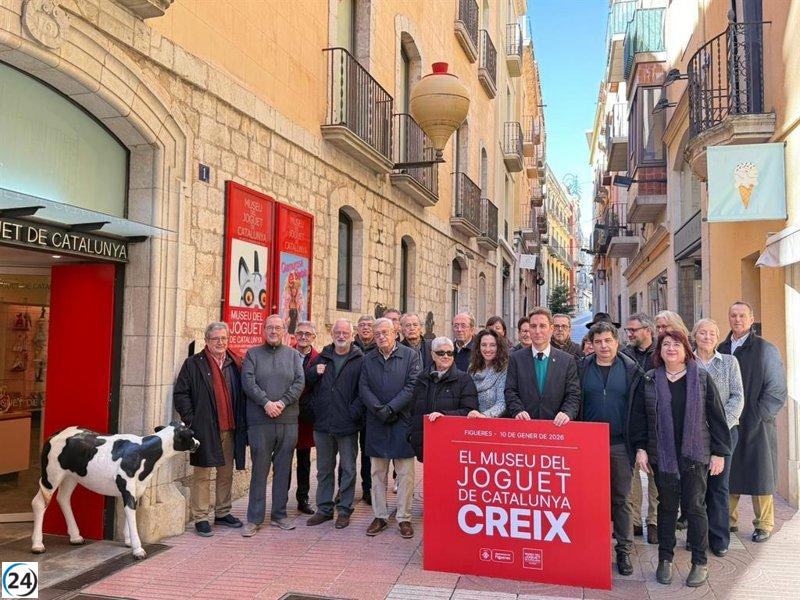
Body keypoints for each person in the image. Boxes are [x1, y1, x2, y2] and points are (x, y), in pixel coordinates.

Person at [631, 329, 731, 588]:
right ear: (659, 351)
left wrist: (719, 452)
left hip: (695, 456)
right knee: (666, 508)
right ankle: (665, 559)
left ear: (686, 348)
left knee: (696, 508)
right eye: (666, 345)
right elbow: (639, 418)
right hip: (661, 455)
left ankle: (700, 562)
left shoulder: (701, 377)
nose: (671, 349)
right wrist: (640, 448)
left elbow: (717, 417)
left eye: (676, 344)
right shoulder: (651, 379)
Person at [718, 301, 787, 543]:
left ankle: (764, 524)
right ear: (729, 318)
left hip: (757, 423)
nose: (737, 320)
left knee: (761, 474)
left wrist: (759, 414)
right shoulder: (722, 348)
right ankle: (728, 520)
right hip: (729, 422)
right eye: (733, 315)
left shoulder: (765, 349)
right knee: (729, 472)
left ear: (751, 318)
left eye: (742, 315)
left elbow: (777, 389)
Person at [578, 321, 644, 576]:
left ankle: (624, 551)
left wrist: (639, 446)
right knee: (591, 499)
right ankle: (592, 549)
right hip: (589, 444)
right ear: (591, 345)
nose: (603, 346)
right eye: (598, 342)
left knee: (622, 499)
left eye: (608, 341)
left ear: (617, 342)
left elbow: (639, 412)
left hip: (619, 444)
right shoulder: (582, 367)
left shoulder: (631, 370)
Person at [173, 322, 246, 536]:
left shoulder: (234, 363)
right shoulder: (194, 364)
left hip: (229, 428)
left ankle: (222, 512)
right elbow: (181, 394)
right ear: (206, 341)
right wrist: (192, 420)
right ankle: (201, 517)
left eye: (224, 338)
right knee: (202, 473)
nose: (220, 343)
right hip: (204, 428)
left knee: (225, 473)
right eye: (216, 339)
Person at [241, 315, 305, 535]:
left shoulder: (294, 355)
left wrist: (282, 402)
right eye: (270, 327)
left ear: (284, 330)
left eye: (278, 327)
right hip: (260, 422)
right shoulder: (252, 355)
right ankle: (254, 518)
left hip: (288, 421)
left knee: (283, 469)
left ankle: (279, 515)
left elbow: (299, 383)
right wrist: (266, 403)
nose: (274, 331)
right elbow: (248, 383)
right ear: (263, 330)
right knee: (259, 469)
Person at [359, 318, 422, 538]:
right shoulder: (368, 359)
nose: (381, 337)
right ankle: (380, 516)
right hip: (377, 422)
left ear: (395, 333)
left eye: (385, 332)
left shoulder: (410, 356)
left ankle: (404, 518)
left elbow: (413, 385)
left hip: (401, 421)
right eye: (377, 334)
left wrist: (392, 408)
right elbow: (363, 387)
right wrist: (378, 409)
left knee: (405, 474)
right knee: (377, 473)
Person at [305, 319, 364, 530]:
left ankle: (345, 509)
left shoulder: (359, 359)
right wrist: (314, 373)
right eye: (337, 332)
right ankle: (324, 509)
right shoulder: (323, 357)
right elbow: (307, 383)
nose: (341, 336)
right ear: (332, 334)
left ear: (351, 334)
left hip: (347, 425)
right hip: (323, 424)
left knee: (348, 469)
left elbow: (363, 391)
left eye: (345, 332)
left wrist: (353, 412)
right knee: (324, 469)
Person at [693, 318, 744, 556]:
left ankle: (719, 538)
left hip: (724, 433)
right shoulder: (687, 363)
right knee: (695, 488)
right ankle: (697, 537)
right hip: (693, 434)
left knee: (719, 487)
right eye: (702, 333)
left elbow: (737, 396)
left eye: (712, 333)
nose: (707, 337)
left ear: (717, 337)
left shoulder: (729, 362)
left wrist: (722, 423)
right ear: (694, 336)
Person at [505, 307, 581, 425]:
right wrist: (518, 411)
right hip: (524, 427)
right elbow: (510, 390)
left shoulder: (567, 361)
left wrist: (567, 413)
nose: (537, 331)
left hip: (557, 428)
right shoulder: (516, 359)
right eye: (533, 326)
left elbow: (573, 394)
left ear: (551, 329)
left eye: (542, 326)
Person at [409, 337, 478, 461]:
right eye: (441, 353)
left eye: (450, 353)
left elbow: (470, 411)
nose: (446, 356)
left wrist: (443, 415)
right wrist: (411, 436)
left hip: (454, 444)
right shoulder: (422, 379)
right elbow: (413, 411)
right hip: (426, 443)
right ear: (433, 355)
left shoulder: (464, 380)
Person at [622, 312, 658, 543]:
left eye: (633, 330)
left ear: (647, 330)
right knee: (632, 471)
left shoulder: (661, 353)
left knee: (656, 472)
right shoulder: (625, 355)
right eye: (627, 331)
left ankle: (654, 521)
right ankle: (634, 520)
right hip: (631, 417)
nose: (629, 334)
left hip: (657, 419)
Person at [291, 321, 318, 515]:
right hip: (286, 413)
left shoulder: (319, 359)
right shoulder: (286, 354)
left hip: (306, 416)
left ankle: (303, 498)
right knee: (282, 459)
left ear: (313, 337)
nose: (303, 337)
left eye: (308, 334)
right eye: (300, 333)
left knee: (304, 460)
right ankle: (280, 498)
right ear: (294, 335)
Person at [352, 314, 375, 502]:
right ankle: (344, 489)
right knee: (348, 452)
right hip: (351, 408)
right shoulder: (350, 348)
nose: (365, 328)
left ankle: (368, 488)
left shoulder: (378, 349)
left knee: (368, 452)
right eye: (362, 325)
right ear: (357, 329)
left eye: (369, 325)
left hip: (371, 410)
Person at [467, 329, 508, 419]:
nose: (487, 349)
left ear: (499, 347)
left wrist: (483, 416)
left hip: (494, 424)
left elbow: (501, 403)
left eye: (492, 345)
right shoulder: (471, 368)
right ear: (478, 347)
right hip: (471, 422)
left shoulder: (504, 369)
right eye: (484, 345)